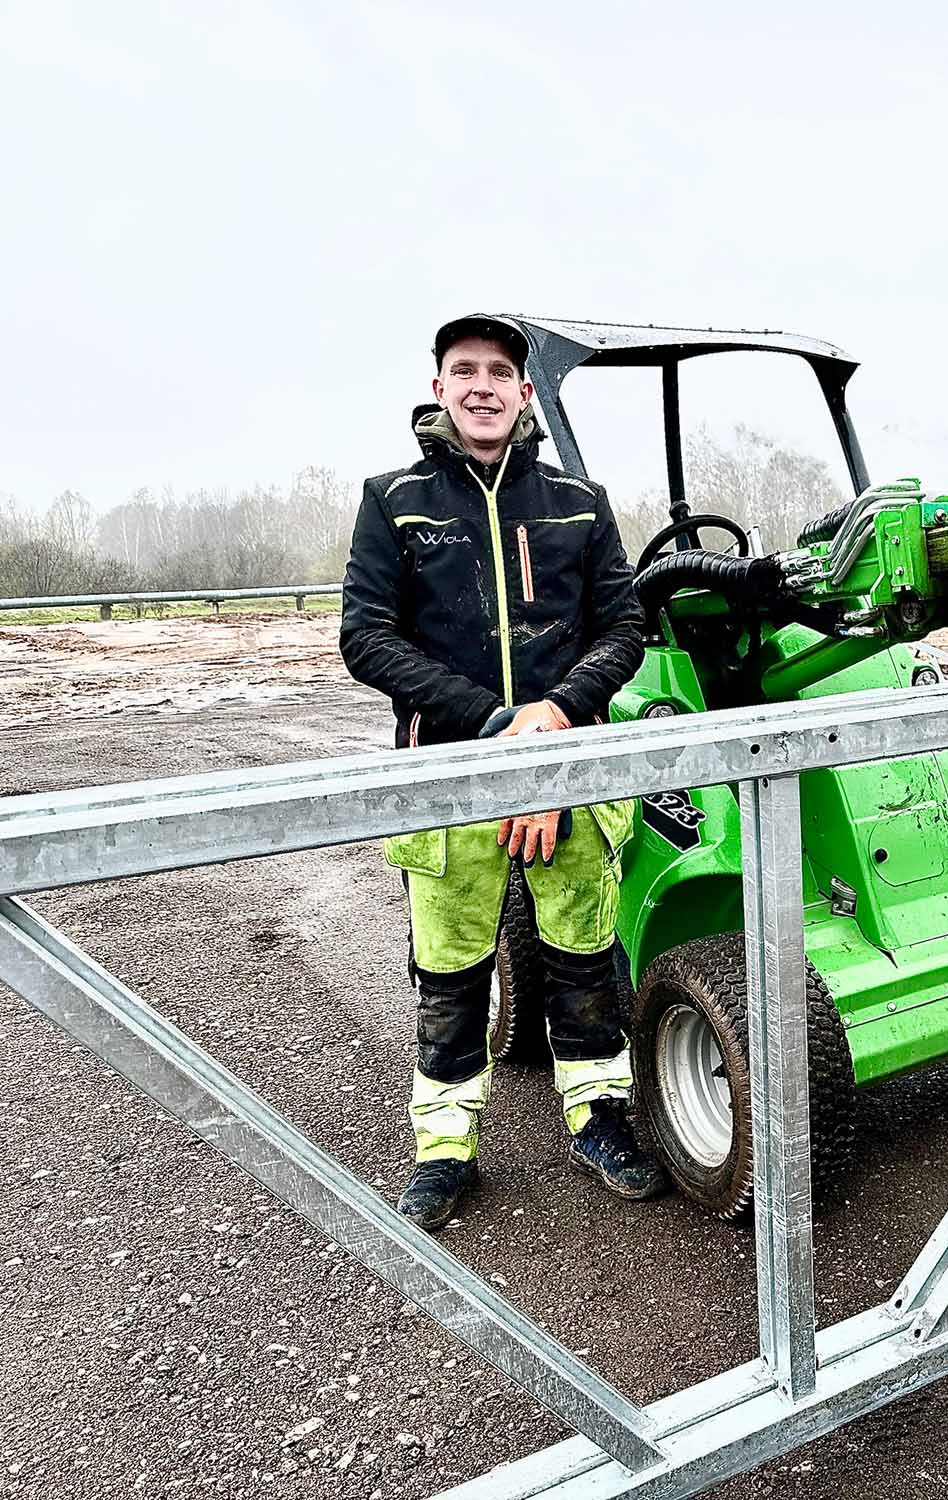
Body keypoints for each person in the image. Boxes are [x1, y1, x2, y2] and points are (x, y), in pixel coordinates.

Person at [341, 313, 665, 1229]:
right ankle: (445, 1149)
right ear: (438, 387)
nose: (481, 385)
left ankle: (599, 1119)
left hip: (570, 765)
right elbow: (367, 638)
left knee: (584, 957)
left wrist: (555, 717)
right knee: (452, 973)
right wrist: (494, 725)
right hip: (450, 777)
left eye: (499, 372)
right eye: (463, 370)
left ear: (527, 393)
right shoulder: (392, 499)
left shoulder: (581, 502)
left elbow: (624, 629)